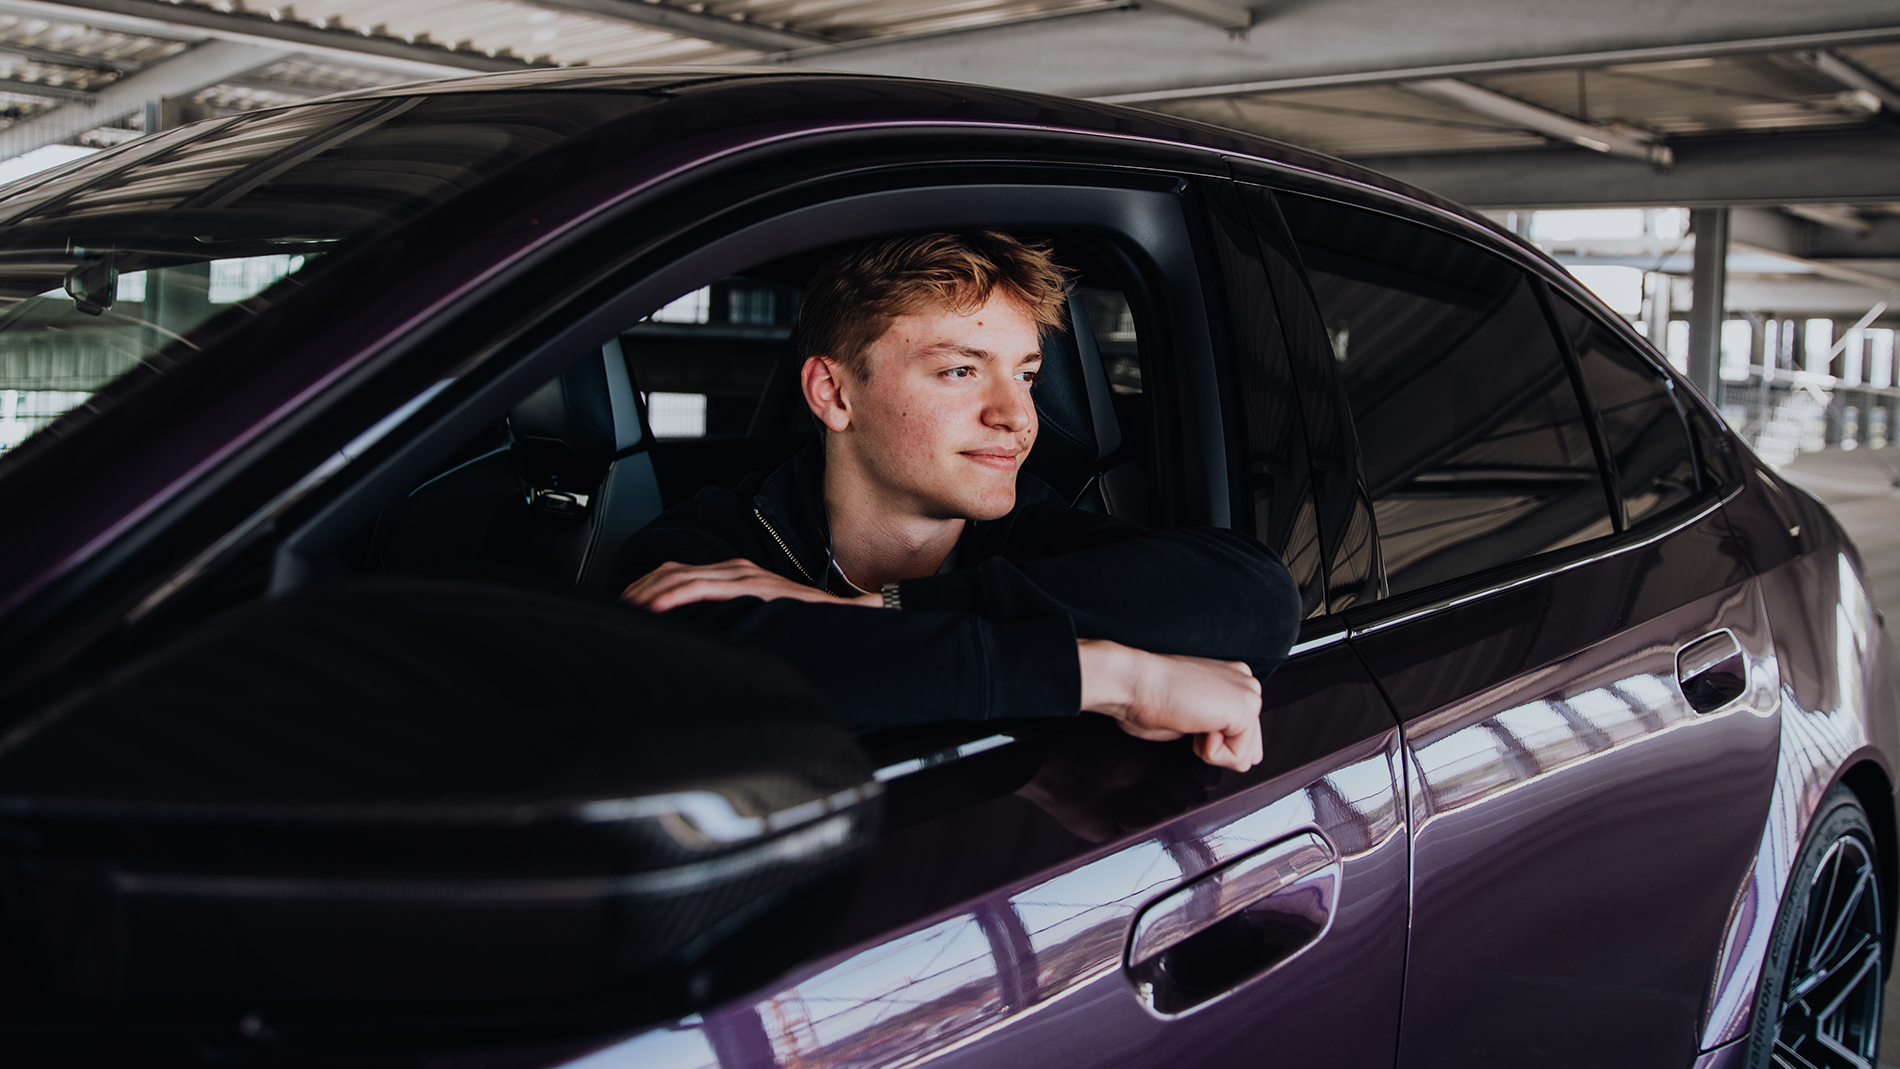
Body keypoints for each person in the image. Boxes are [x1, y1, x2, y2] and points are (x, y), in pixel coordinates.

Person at [611, 232, 1300, 773]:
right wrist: (1114, 675)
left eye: (1026, 374)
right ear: (833, 393)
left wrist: (881, 610)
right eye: (960, 370)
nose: (1017, 415)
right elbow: (698, 683)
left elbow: (1257, 598)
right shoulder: (709, 544)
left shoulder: (1031, 529)